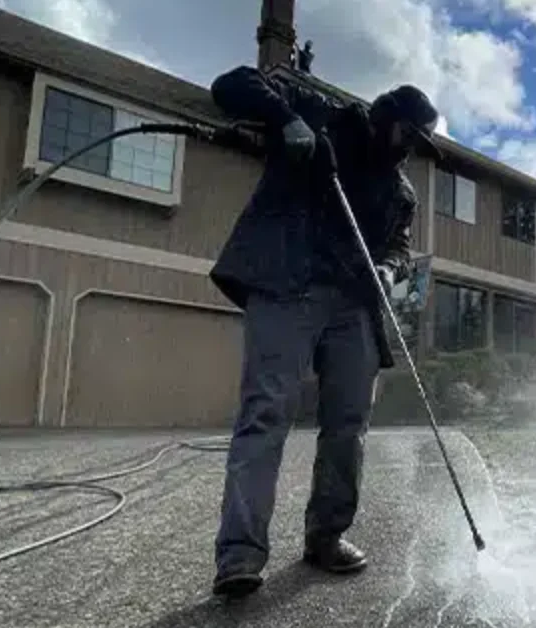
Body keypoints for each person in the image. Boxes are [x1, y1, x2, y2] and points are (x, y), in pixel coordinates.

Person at [203, 65, 442, 599]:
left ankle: (327, 535)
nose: (410, 150)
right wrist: (285, 119)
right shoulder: (323, 115)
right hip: (288, 280)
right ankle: (240, 555)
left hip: (353, 303)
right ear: (388, 117)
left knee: (349, 423)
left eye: (420, 144)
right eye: (409, 135)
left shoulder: (402, 194)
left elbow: (399, 248)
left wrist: (389, 269)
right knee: (266, 411)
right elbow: (232, 84)